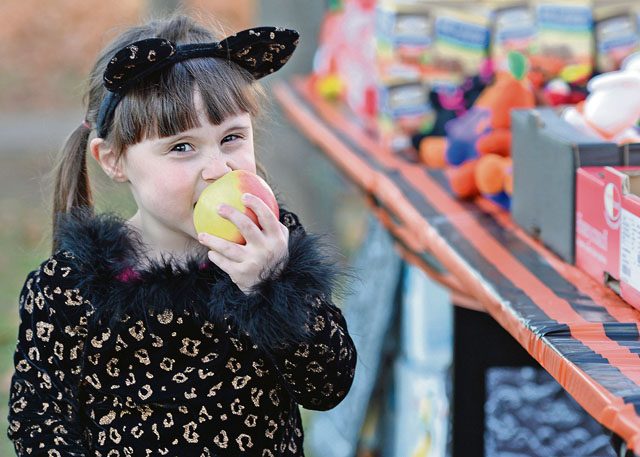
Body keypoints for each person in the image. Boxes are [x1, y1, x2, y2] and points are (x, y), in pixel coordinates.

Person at [7, 14, 357, 456]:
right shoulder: (68, 289)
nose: (218, 169)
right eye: (181, 147)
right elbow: (40, 428)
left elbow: (328, 386)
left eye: (232, 137)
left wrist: (272, 287)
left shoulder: (272, 250)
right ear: (113, 160)